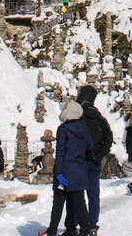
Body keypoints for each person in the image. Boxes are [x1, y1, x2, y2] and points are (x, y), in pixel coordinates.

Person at [62, 85, 113, 236]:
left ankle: (73, 224)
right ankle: (92, 224)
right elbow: (108, 139)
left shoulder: (76, 117)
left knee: (76, 194)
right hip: (94, 161)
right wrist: (99, 154)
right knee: (93, 194)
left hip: (78, 161)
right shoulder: (100, 119)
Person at [38, 101, 94, 236]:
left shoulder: (63, 129)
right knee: (80, 203)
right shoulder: (83, 126)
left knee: (58, 203)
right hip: (79, 170)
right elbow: (90, 145)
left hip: (65, 169)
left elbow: (61, 152)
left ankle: (52, 231)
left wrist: (58, 172)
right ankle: (86, 230)